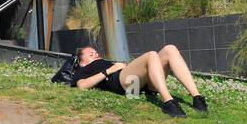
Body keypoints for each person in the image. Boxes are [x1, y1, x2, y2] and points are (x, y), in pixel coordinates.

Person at [72, 43, 207, 117]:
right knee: (151, 55)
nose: (95, 54)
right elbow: (82, 85)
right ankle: (168, 102)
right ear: (81, 62)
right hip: (124, 84)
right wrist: (109, 70)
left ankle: (197, 98)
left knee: (170, 49)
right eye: (91, 54)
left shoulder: (103, 61)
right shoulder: (83, 69)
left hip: (140, 83)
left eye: (96, 53)